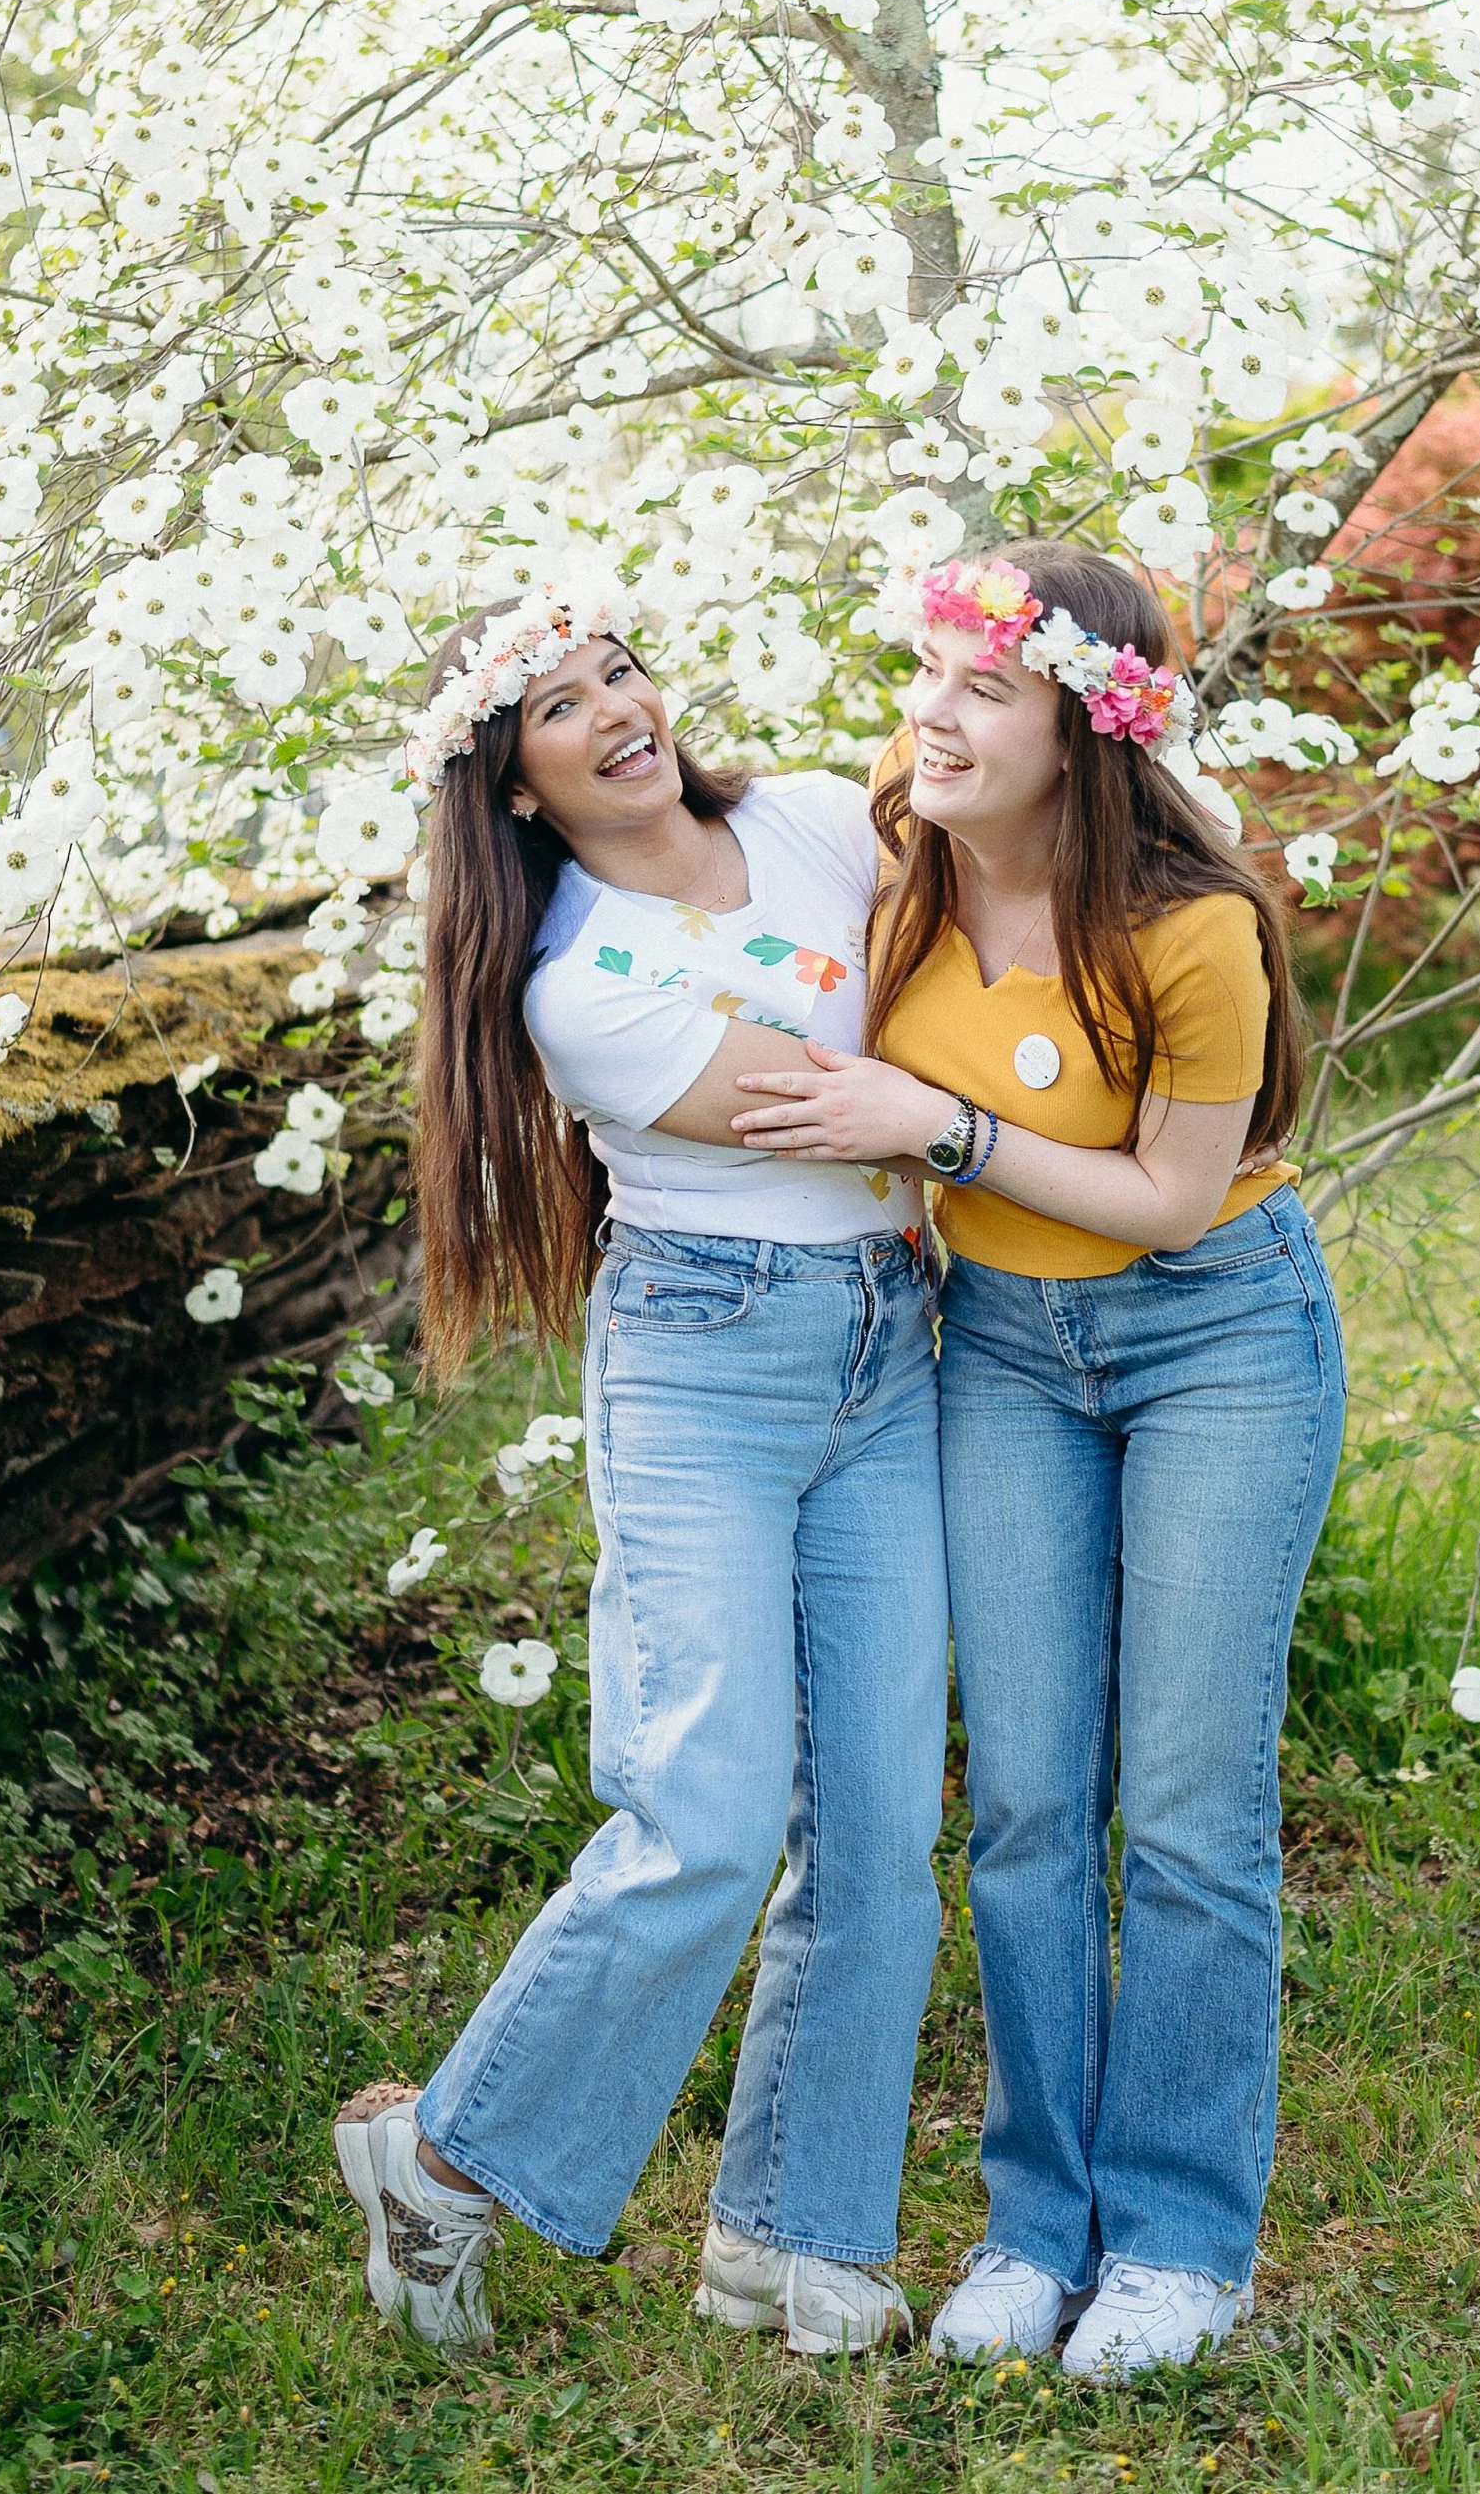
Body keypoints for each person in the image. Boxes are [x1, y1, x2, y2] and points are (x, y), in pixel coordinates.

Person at [731, 543, 1343, 2381]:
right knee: (1020, 1810)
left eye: (982, 686)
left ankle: (1176, 2245)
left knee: (1184, 1808)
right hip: (995, 1348)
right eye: (924, 669)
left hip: (1216, 1335)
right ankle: (1030, 2224)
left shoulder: (1189, 924)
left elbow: (1164, 1204)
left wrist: (944, 1129)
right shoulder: (884, 869)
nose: (931, 710)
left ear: (1092, 727)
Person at [331, 590, 946, 2358]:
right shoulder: (579, 983)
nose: (613, 712)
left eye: (621, 672)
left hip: (887, 1347)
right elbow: (848, 1096)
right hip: (708, 1360)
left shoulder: (821, 817)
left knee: (885, 1825)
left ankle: (793, 2237)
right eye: (555, 706)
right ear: (510, 784)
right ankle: (445, 2163)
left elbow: (976, 953)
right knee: (708, 1814)